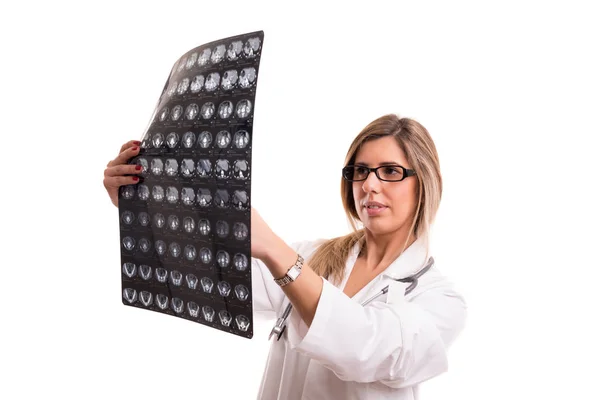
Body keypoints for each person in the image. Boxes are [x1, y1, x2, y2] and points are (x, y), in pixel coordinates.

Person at [103, 114, 467, 399]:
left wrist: (275, 250)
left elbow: (365, 348)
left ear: (425, 182)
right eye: (359, 171)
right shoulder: (314, 257)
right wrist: (142, 208)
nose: (369, 185)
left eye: (390, 172)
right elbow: (210, 273)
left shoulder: (440, 302)